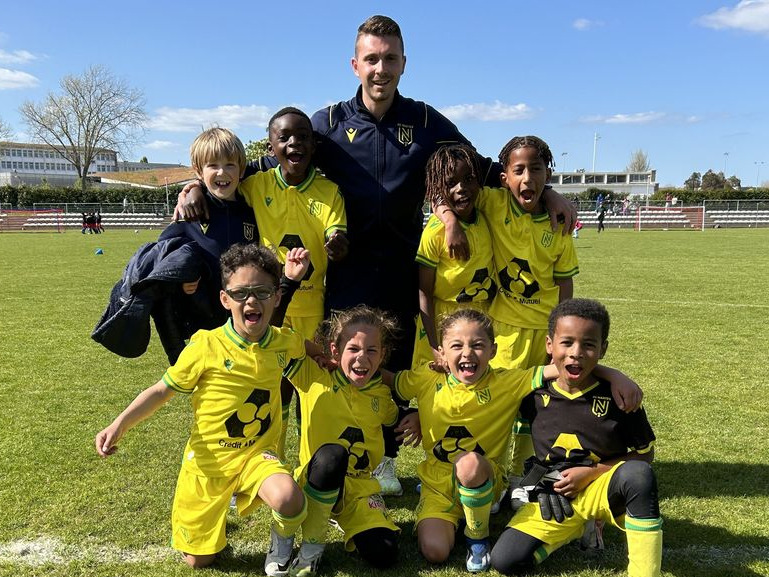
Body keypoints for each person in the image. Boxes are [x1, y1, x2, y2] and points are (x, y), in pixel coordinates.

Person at [177, 15, 577, 496]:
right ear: (355, 65)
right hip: (345, 273)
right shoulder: (327, 123)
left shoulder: (425, 121)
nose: (380, 69)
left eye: (390, 59)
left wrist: (549, 192)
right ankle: (330, 457)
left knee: (393, 362)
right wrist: (195, 185)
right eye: (371, 59)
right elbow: (268, 162)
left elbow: (484, 168)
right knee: (343, 360)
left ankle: (383, 457)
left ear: (404, 63)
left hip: (407, 269)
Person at [94, 244, 310, 573]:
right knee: (199, 561)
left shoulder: (282, 341)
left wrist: (326, 356)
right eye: (240, 293)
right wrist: (119, 424)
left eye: (262, 292)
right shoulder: (205, 346)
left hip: (257, 456)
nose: (251, 301)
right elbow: (161, 390)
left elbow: (302, 346)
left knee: (288, 497)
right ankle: (210, 524)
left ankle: (280, 546)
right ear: (225, 299)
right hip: (209, 465)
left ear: (277, 297)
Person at [384, 309, 642, 573]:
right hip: (437, 486)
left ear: (493, 350)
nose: (467, 353)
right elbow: (392, 381)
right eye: (457, 346)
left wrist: (614, 375)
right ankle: (455, 514)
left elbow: (567, 365)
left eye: (478, 345)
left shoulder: (508, 382)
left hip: (486, 476)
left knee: (469, 464)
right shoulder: (427, 377)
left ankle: (477, 537)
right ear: (441, 352)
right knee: (435, 552)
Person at [490, 299, 661, 577]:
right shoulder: (532, 393)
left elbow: (645, 454)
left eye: (589, 345)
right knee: (505, 560)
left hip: (601, 487)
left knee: (638, 475)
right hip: (554, 491)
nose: (576, 353)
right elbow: (488, 382)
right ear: (549, 344)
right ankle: (576, 529)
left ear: (603, 349)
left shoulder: (619, 395)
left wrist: (591, 473)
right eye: (566, 343)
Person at [282, 306, 419, 575]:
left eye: (371, 350)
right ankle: (313, 544)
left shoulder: (380, 394)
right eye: (353, 349)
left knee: (384, 553)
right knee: (333, 456)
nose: (362, 358)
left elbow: (396, 419)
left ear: (382, 355)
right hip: (315, 478)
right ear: (336, 351)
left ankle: (346, 517)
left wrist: (415, 416)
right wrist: (318, 352)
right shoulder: (314, 375)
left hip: (359, 489)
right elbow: (280, 337)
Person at [476, 136, 579, 494]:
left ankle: (523, 477)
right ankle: (491, 476)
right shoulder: (492, 203)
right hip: (504, 330)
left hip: (544, 332)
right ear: (503, 177)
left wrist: (560, 335)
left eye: (536, 169)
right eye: (518, 170)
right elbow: (454, 188)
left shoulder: (558, 223)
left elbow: (565, 282)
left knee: (537, 408)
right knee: (499, 406)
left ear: (548, 174)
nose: (527, 178)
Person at [413, 144, 496, 370]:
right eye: (451, 183)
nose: (462, 188)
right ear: (439, 188)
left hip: (482, 319)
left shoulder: (487, 213)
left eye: (469, 179)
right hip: (442, 323)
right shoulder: (434, 233)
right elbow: (424, 292)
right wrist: (434, 345)